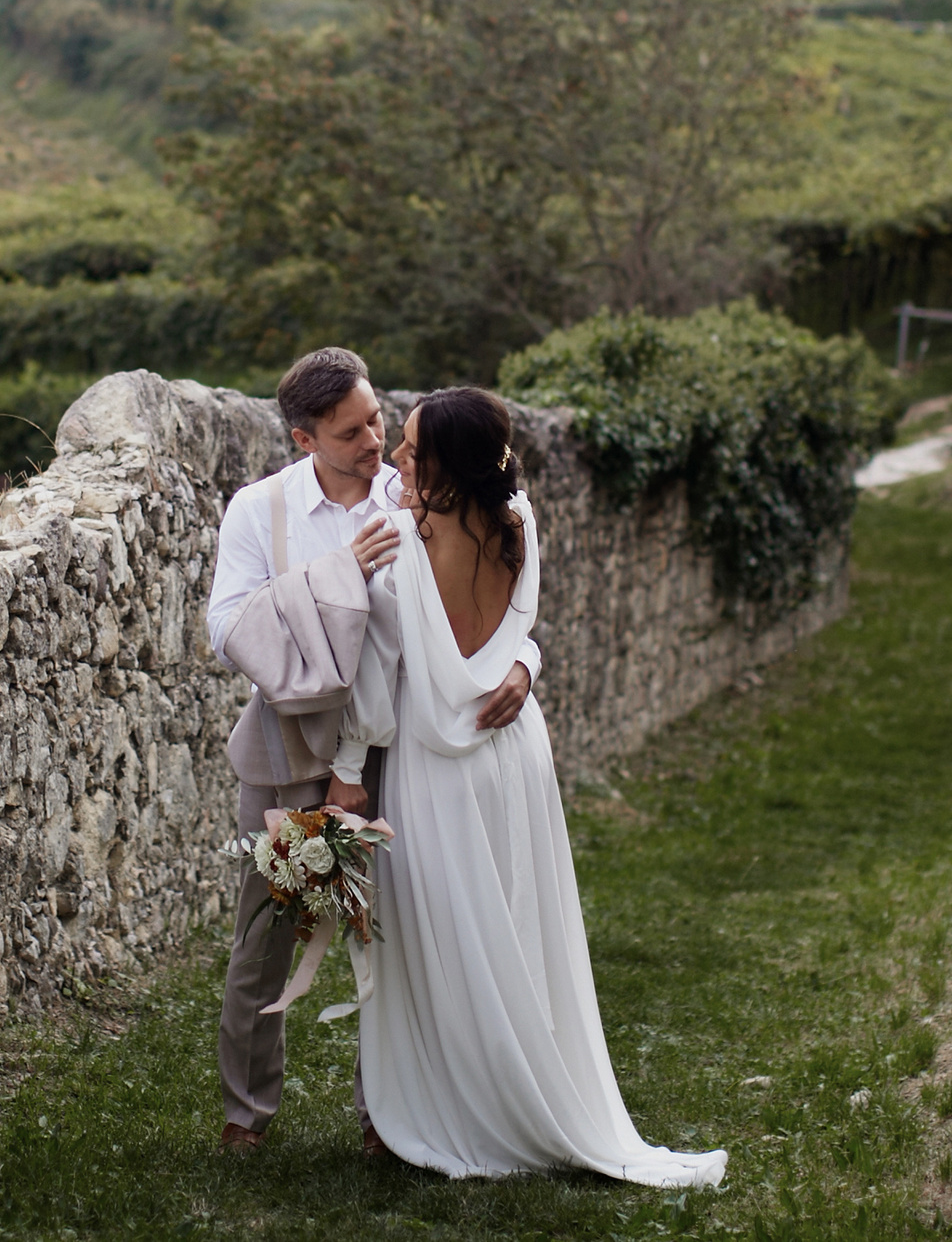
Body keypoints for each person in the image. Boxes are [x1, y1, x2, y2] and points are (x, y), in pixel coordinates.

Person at [348, 387, 726, 1187]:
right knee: (516, 927)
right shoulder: (518, 516)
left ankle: (472, 1107)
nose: (399, 458)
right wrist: (528, 664)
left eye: (414, 448)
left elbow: (378, 680)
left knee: (445, 938)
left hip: (436, 760)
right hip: (513, 743)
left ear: (449, 461)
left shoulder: (401, 542)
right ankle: (525, 1087)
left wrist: (348, 767)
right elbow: (521, 629)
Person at [208, 349, 539, 1153]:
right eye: (351, 431)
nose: (374, 442)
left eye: (377, 422)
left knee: (398, 938)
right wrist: (337, 573)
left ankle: (385, 1114)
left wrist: (530, 663)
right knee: (264, 937)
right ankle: (245, 1114)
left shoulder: (424, 492)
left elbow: (487, 604)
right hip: (290, 753)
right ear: (302, 437)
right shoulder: (260, 510)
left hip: (394, 752)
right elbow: (227, 629)